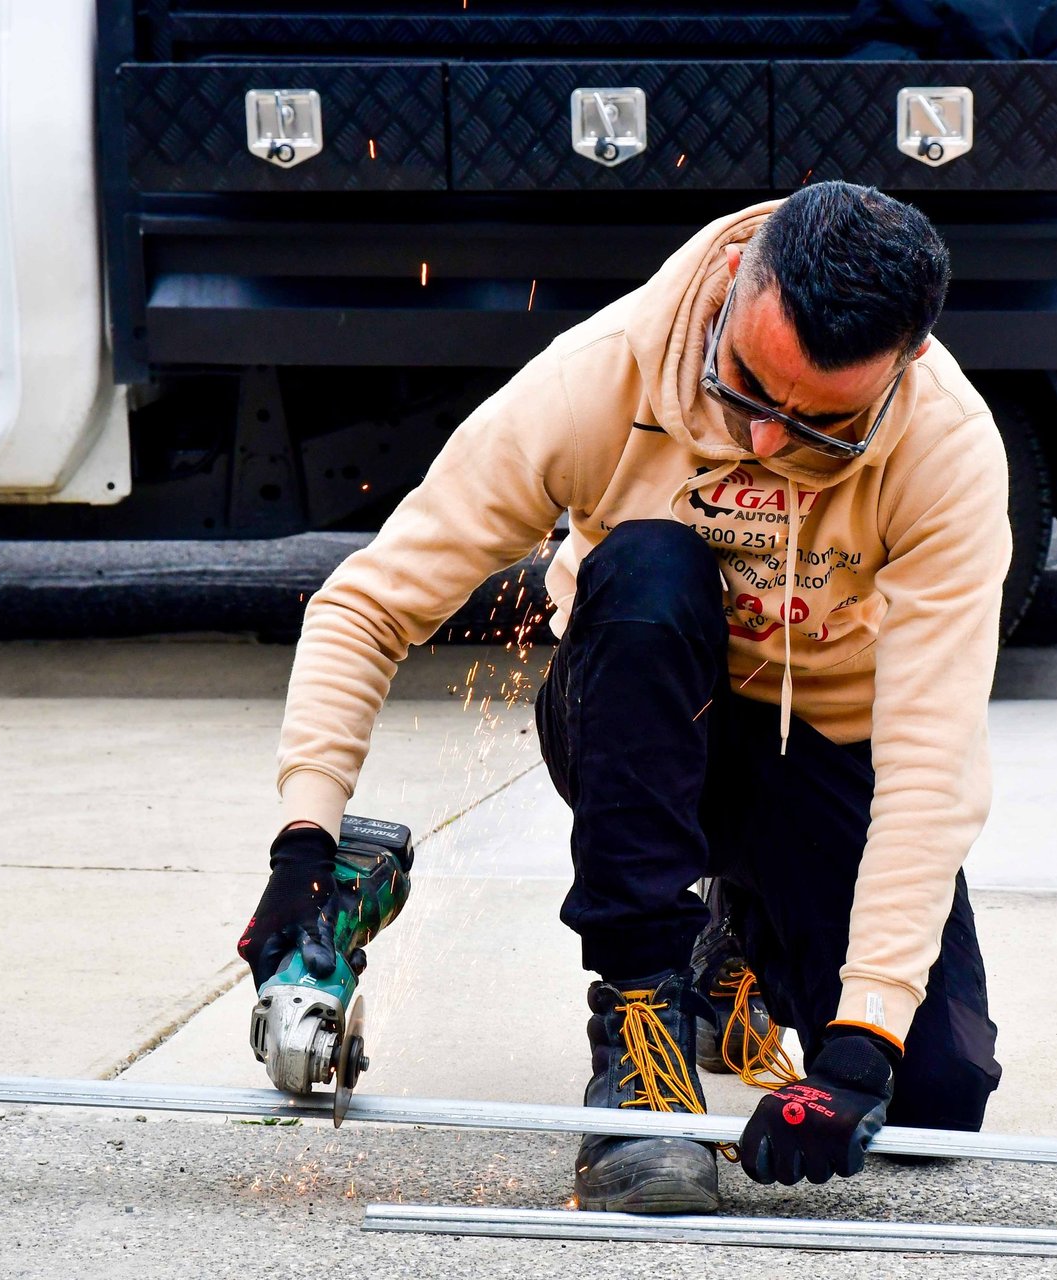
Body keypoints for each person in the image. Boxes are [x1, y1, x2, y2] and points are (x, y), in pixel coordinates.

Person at [239, 181, 1011, 1214]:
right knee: (650, 570)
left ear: (904, 365)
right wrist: (302, 841)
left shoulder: (947, 448)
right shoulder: (605, 372)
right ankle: (641, 1015)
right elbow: (367, 603)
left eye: (818, 423)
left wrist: (866, 1036)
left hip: (819, 746)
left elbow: (931, 757)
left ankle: (731, 945)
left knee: (929, 1102)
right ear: (736, 282)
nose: (767, 442)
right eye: (746, 388)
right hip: (630, 715)